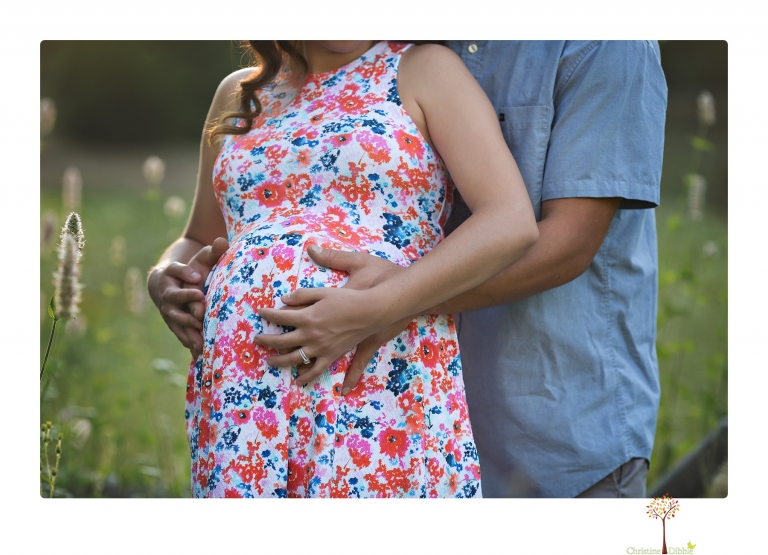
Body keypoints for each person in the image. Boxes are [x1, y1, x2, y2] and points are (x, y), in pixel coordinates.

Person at [147, 40, 538, 498]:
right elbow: (198, 235)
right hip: (243, 395)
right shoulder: (240, 93)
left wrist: (378, 305)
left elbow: (510, 220)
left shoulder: (423, 68)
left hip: (375, 374)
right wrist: (165, 273)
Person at [278, 41, 668, 498]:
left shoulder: (605, 41)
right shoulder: (408, 35)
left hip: (559, 431)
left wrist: (388, 302)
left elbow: (571, 243)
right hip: (413, 427)